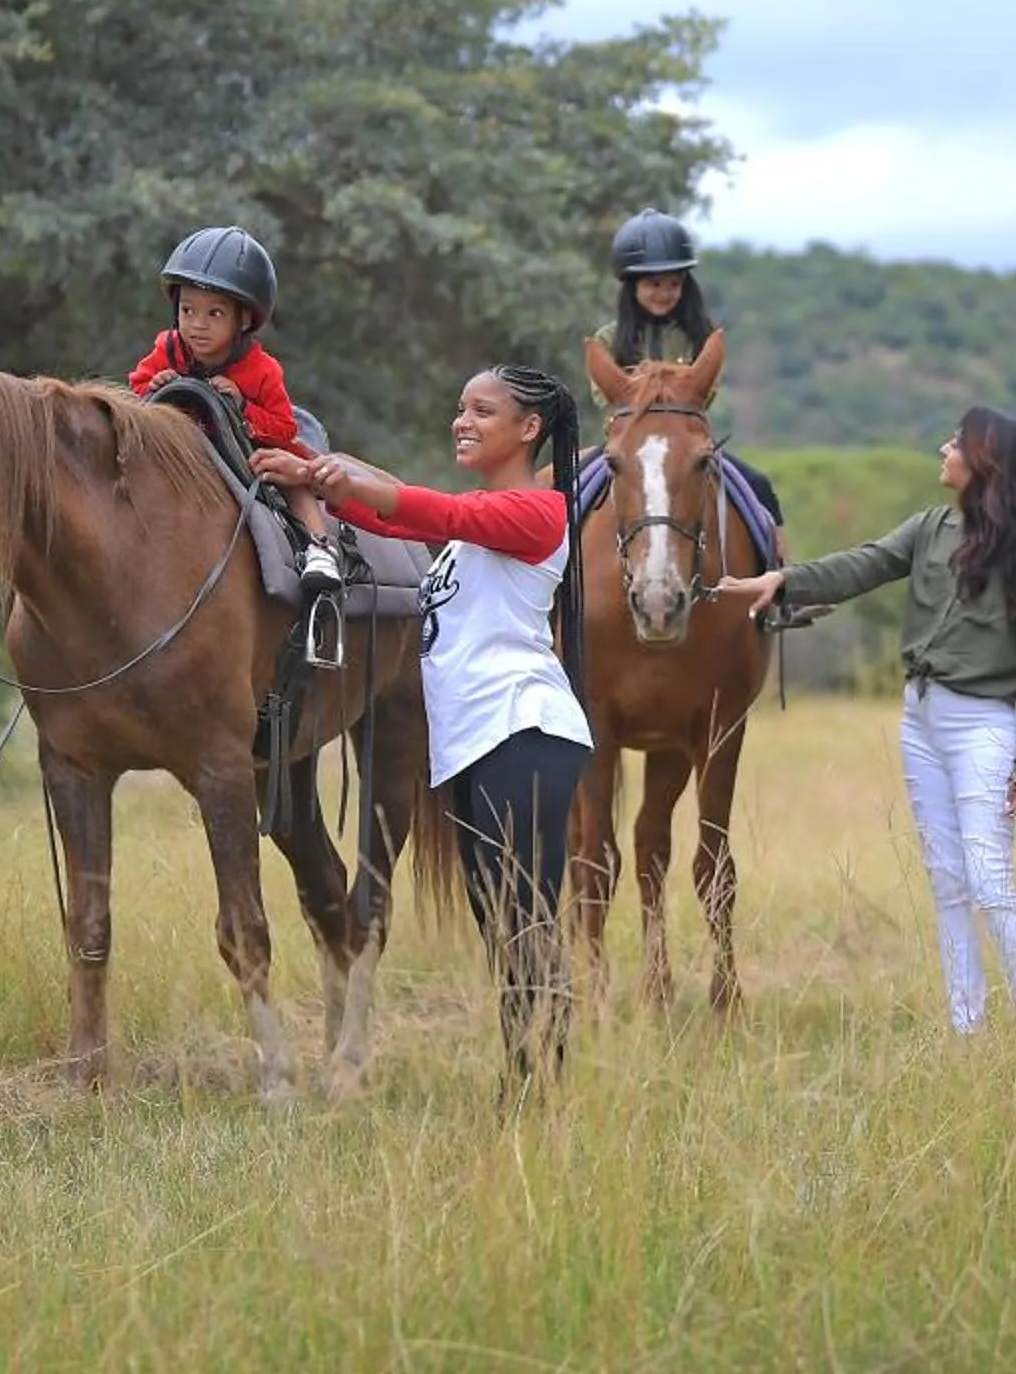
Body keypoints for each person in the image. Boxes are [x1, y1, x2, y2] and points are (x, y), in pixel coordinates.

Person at [258, 364, 591, 1088]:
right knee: (500, 924)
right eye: (459, 408)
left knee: (524, 924)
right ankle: (529, 1083)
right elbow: (389, 517)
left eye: (482, 410)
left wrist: (336, 471)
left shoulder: (541, 513)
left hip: (523, 731)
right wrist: (313, 478)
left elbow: (431, 510)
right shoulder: (474, 532)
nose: (461, 421)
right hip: (474, 743)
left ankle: (541, 1091)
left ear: (529, 428)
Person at [714, 407, 1016, 1035]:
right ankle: (969, 1027)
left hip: (985, 727)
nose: (944, 448)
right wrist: (783, 579)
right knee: (946, 882)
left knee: (990, 880)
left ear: (984, 462)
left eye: (956, 443)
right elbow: (863, 563)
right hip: (922, 723)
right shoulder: (931, 528)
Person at [592, 208, 801, 616]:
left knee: (758, 486)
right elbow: (605, 395)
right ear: (632, 285)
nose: (664, 292)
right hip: (628, 444)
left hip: (687, 445)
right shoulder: (608, 337)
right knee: (567, 493)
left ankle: (781, 587)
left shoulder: (699, 337)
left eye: (674, 283)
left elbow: (706, 392)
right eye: (654, 283)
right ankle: (550, 591)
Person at [127, 225, 340, 592]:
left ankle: (320, 549)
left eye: (214, 314)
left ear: (243, 319)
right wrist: (156, 386)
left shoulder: (262, 370)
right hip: (187, 443)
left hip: (252, 447)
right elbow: (136, 387)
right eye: (187, 309)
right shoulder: (169, 348)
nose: (197, 324)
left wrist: (241, 404)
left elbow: (283, 427)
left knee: (289, 476)